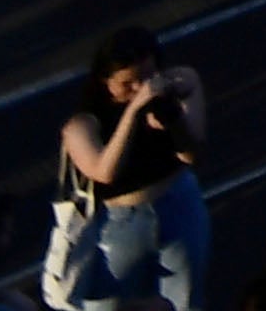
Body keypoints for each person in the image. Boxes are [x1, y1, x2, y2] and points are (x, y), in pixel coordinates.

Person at [51, 25, 211, 311]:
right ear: (105, 81)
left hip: (179, 203)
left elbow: (192, 154)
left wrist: (174, 120)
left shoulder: (179, 84)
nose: (140, 88)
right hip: (119, 224)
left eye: (148, 77)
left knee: (186, 301)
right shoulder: (83, 123)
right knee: (111, 306)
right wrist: (133, 113)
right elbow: (104, 172)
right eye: (128, 83)